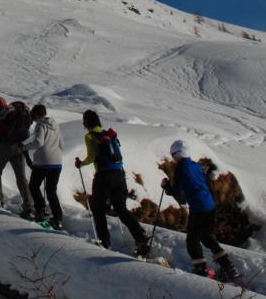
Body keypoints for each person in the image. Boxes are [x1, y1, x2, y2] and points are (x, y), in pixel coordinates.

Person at [161, 140, 239, 280]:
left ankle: (201, 269)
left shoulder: (181, 169)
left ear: (178, 154)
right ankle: (229, 267)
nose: (173, 158)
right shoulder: (197, 166)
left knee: (192, 240)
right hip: (210, 205)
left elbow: (177, 191)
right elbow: (206, 184)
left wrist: (166, 186)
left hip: (198, 208)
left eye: (173, 155)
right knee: (207, 237)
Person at [74, 109, 149, 254]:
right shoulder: (109, 134)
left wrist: (80, 164)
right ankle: (141, 236)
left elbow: (91, 157)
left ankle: (104, 241)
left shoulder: (90, 136)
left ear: (85, 123)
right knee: (121, 209)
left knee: (98, 208)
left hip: (103, 176)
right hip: (119, 175)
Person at [0, 97, 34, 218]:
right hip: (19, 146)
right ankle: (29, 206)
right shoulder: (15, 112)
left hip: (5, 147)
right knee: (21, 176)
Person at [21, 104, 64, 227]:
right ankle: (58, 218)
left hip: (43, 162)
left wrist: (23, 147)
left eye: (33, 117)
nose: (33, 120)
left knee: (33, 186)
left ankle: (40, 211)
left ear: (36, 116)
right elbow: (62, 144)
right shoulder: (56, 125)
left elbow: (39, 142)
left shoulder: (41, 124)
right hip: (57, 162)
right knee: (51, 190)